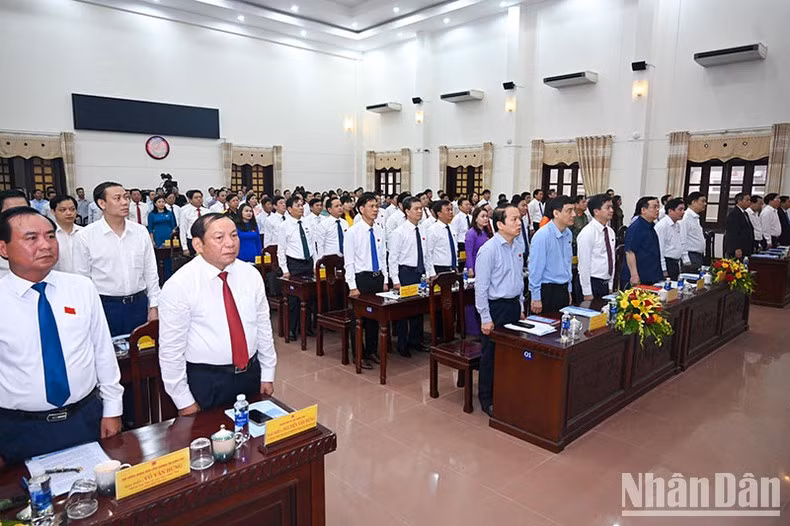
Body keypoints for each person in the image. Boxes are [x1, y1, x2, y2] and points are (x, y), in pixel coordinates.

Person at [0, 207, 123, 466]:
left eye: (51, 236)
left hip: (84, 418)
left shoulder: (80, 287)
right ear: (4, 248)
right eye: (31, 238)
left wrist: (112, 409)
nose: (45, 245)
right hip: (19, 427)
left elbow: (102, 351)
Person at [158, 213, 276, 414]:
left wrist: (267, 373)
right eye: (219, 238)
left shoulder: (250, 275)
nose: (230, 243)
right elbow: (171, 350)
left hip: (250, 374)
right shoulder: (180, 285)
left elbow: (263, 327)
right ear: (198, 244)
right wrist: (183, 400)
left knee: (254, 439)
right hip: (208, 380)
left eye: (234, 236)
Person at [73, 182, 160, 337]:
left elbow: (151, 272)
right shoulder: (85, 236)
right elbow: (82, 279)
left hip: (139, 304)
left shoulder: (140, 232)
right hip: (105, 306)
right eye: (117, 198)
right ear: (102, 203)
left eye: (126, 197)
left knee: (143, 354)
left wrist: (154, 305)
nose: (125, 202)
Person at [475, 206, 526, 416]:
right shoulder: (489, 250)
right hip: (496, 308)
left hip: (513, 305)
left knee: (511, 353)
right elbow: (481, 287)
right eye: (514, 219)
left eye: (519, 219)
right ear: (500, 224)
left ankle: (506, 390)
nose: (519, 223)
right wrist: (485, 317)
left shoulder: (517, 245)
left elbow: (519, 279)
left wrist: (521, 306)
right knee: (491, 355)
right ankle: (487, 398)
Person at [344, 192, 388, 370]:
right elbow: (349, 261)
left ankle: (371, 351)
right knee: (359, 319)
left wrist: (385, 278)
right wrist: (352, 286)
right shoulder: (353, 232)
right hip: (361, 279)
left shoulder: (379, 229)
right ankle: (358, 355)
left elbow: (383, 255)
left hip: (377, 278)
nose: (376, 209)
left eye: (377, 206)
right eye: (371, 206)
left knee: (374, 319)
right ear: (361, 209)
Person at [388, 197, 431, 358]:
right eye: (416, 209)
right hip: (405, 273)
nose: (420, 211)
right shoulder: (399, 232)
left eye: (421, 208)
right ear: (407, 211)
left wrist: (427, 274)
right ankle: (402, 344)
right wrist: (396, 281)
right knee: (404, 311)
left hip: (419, 273)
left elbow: (426, 255)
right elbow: (393, 259)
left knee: (418, 309)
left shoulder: (423, 230)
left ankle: (416, 341)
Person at [278, 197, 316, 341]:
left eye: (302, 205)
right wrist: (285, 269)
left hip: (308, 262)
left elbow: (312, 244)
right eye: (297, 205)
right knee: (294, 300)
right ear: (289, 209)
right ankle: (292, 329)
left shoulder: (307, 223)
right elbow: (281, 249)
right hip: (294, 264)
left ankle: (305, 327)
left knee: (309, 297)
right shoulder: (285, 226)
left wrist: (315, 264)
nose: (301, 208)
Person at [528, 196, 574, 313]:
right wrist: (536, 297)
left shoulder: (568, 233)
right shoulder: (542, 236)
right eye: (569, 211)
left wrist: (569, 290)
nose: (573, 214)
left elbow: (567, 263)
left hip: (563, 289)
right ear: (556, 213)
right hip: (547, 291)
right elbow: (535, 268)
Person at [577, 194, 616, 300]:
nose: (611, 210)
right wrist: (587, 292)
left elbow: (611, 258)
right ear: (596, 211)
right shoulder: (587, 233)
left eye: (612, 207)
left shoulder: (610, 232)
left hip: (605, 282)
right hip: (592, 282)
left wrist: (610, 285)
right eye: (607, 208)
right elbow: (583, 265)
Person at [621, 196, 662, 288]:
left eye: (658, 207)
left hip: (650, 274)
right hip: (639, 277)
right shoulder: (636, 227)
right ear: (643, 210)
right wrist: (634, 275)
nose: (657, 210)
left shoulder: (651, 226)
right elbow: (629, 252)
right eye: (654, 207)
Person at [464, 207, 493, 337]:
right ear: (475, 218)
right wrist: (470, 268)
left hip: (487, 266)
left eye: (487, 216)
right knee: (473, 297)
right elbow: (468, 252)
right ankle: (472, 328)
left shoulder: (486, 232)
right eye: (482, 216)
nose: (486, 219)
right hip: (475, 265)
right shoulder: (471, 233)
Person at [50, 195, 84, 274]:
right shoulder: (49, 235)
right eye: (63, 210)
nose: (69, 213)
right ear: (53, 211)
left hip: (83, 280)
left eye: (72, 209)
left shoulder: (85, 233)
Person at [654, 198, 686, 280]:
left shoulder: (677, 225)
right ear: (670, 211)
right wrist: (663, 268)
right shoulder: (662, 225)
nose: (683, 212)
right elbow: (659, 248)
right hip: (667, 262)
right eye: (680, 209)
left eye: (683, 209)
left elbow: (679, 243)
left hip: (675, 263)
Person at [426, 199, 457, 275]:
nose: (451, 212)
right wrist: (431, 273)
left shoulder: (452, 228)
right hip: (439, 268)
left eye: (451, 210)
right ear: (439, 214)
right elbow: (428, 253)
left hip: (452, 267)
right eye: (447, 210)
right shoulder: (432, 230)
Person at [721, 193, 754, 260]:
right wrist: (736, 248)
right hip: (738, 248)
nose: (749, 202)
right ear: (739, 201)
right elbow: (732, 232)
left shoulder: (745, 213)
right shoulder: (734, 214)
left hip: (745, 247)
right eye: (747, 200)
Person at [680, 191, 707, 269]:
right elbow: (682, 239)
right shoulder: (685, 218)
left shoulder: (696, 218)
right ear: (693, 202)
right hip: (690, 256)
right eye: (702, 201)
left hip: (698, 255)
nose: (705, 204)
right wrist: (685, 259)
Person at [315, 196, 348, 260]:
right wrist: (321, 261)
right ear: (329, 209)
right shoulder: (323, 224)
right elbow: (320, 245)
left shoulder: (345, 223)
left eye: (340, 206)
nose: (340, 208)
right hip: (330, 259)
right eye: (336, 206)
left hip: (345, 257)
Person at [179, 190, 210, 256]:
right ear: (190, 200)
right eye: (196, 198)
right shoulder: (185, 212)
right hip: (192, 240)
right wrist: (185, 247)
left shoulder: (207, 211)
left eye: (200, 197)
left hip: (205, 240)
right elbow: (183, 230)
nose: (199, 199)